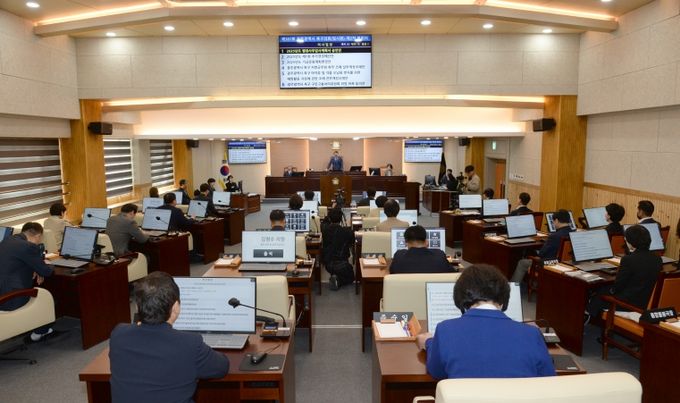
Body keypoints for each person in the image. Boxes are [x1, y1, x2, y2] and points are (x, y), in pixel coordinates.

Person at [416, 264, 555, 379]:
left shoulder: (445, 330)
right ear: (503, 299)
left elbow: (437, 372)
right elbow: (548, 379)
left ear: (461, 298)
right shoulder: (531, 334)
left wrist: (429, 343)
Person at [109, 272, 229, 403]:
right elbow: (221, 367)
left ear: (137, 307)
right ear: (176, 307)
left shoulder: (118, 335)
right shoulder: (190, 344)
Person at [586, 225, 662, 319]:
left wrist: (610, 290)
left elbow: (618, 286)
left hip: (625, 304)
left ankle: (588, 315)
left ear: (631, 242)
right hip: (643, 301)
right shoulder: (657, 258)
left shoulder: (628, 260)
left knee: (599, 292)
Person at [0, 222, 55, 341]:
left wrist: (35, 269)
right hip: (10, 299)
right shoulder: (28, 246)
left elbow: (14, 263)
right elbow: (46, 272)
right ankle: (40, 333)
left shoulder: (8, 240)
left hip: (2, 291)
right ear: (38, 236)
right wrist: (48, 265)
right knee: (47, 298)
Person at [510, 209, 574, 283]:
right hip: (565, 264)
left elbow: (541, 254)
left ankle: (513, 287)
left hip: (549, 263)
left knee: (522, 262)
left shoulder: (554, 236)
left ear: (556, 220)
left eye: (553, 221)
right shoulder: (573, 233)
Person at [321, 208, 355, 290]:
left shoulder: (325, 231)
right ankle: (338, 280)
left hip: (328, 264)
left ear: (329, 218)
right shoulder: (348, 232)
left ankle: (335, 276)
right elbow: (352, 244)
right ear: (341, 219)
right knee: (351, 277)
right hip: (343, 264)